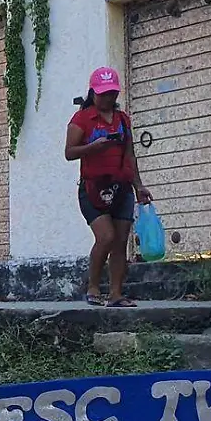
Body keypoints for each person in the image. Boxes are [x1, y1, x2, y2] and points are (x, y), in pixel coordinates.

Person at [64, 66, 151, 307]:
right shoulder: (81, 120)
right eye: (103, 94)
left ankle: (116, 294)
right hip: (93, 188)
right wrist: (94, 147)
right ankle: (92, 286)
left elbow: (130, 155)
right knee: (106, 237)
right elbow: (69, 153)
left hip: (121, 187)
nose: (108, 98)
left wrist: (138, 186)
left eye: (112, 93)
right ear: (93, 93)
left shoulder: (123, 120)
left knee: (121, 241)